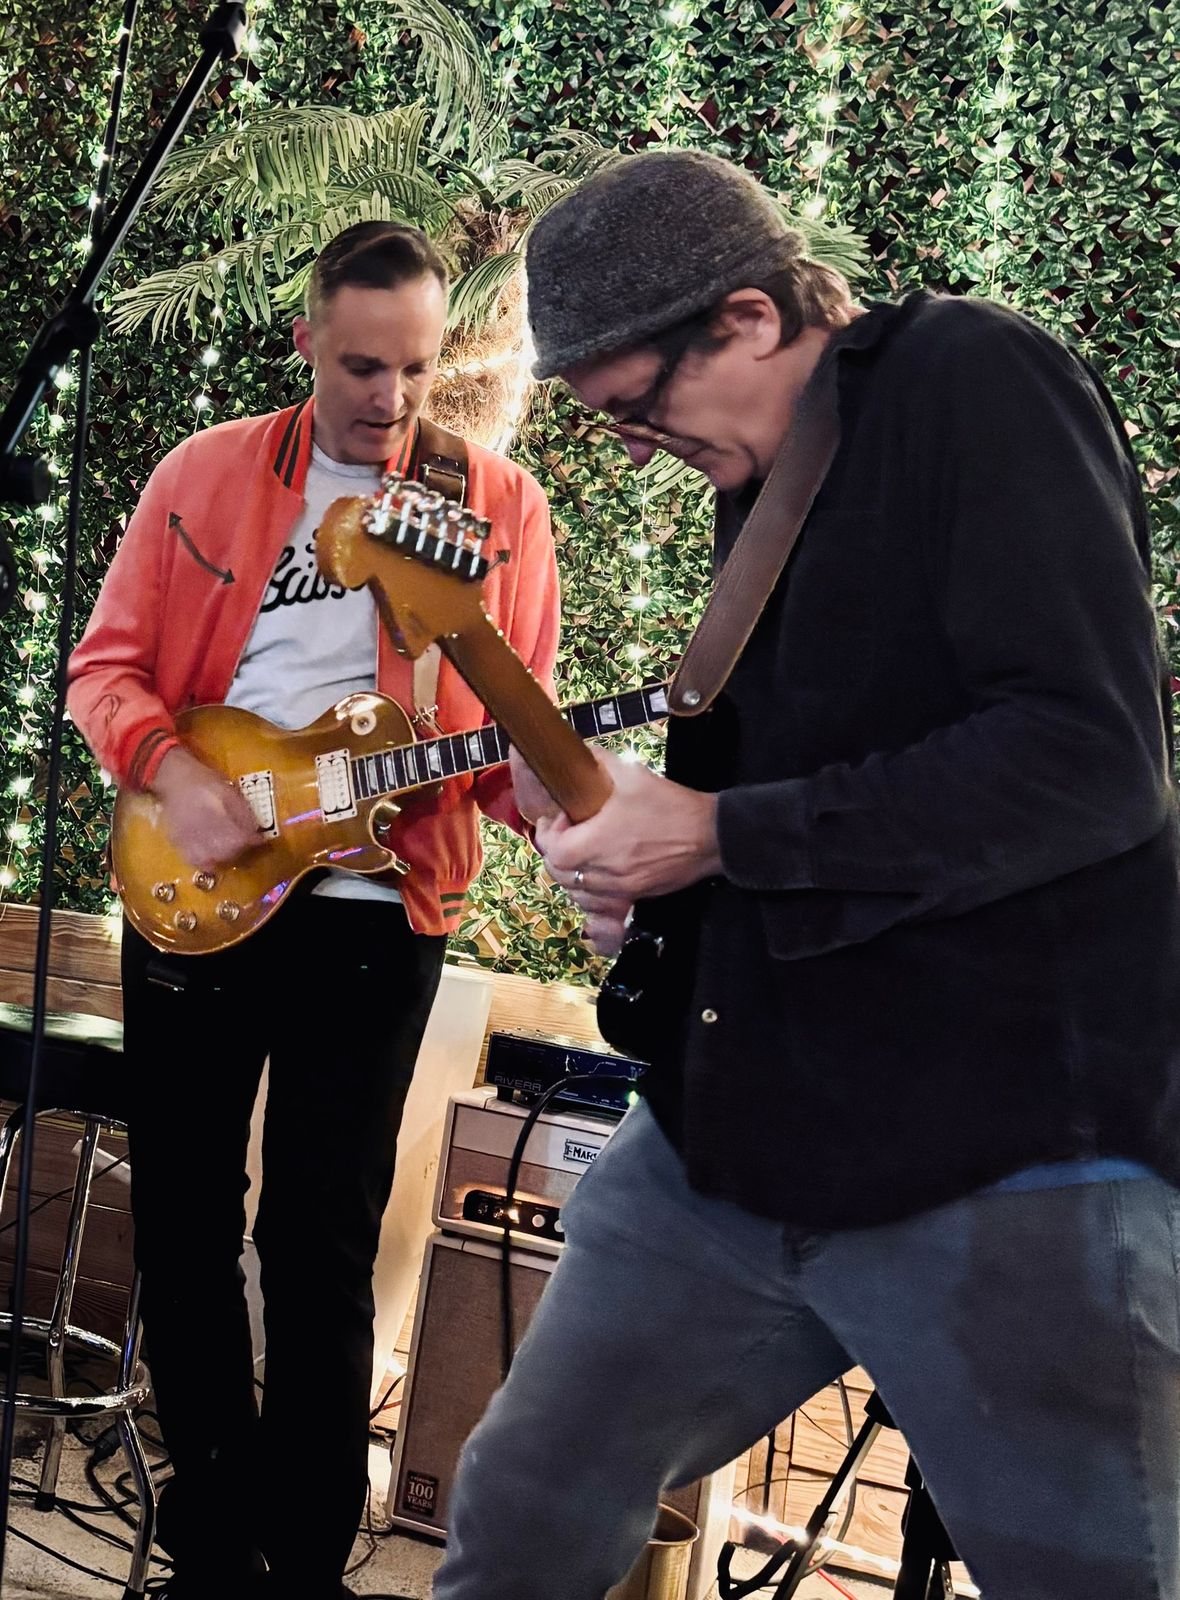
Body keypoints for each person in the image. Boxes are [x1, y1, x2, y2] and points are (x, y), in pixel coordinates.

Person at [433, 150, 1180, 1600]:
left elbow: (1088, 762)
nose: (636, 451)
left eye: (639, 410)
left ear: (752, 318)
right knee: (523, 1505)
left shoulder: (973, 380)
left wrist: (718, 836)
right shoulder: (772, 480)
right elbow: (823, 791)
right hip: (741, 1133)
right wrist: (658, 875)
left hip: (1007, 1153)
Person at [67, 221, 560, 1600]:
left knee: (320, 1237)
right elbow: (104, 669)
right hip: (200, 879)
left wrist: (550, 788)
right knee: (181, 1216)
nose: (390, 400)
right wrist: (175, 775)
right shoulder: (205, 474)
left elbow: (508, 751)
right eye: (360, 367)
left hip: (378, 907)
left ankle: (306, 1559)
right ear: (306, 344)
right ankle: (213, 1539)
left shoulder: (497, 507)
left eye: (416, 368)